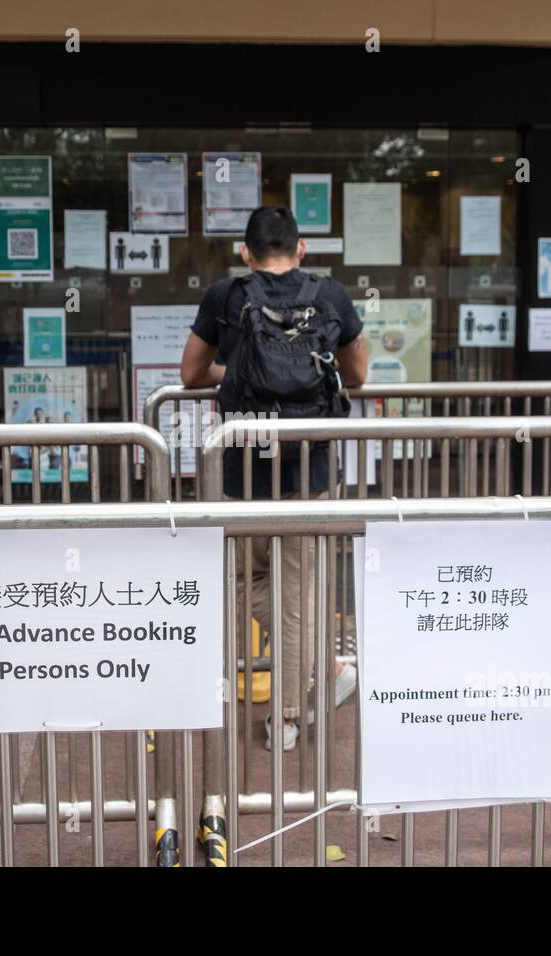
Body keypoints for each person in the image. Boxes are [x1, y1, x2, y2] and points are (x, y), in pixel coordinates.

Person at [180, 206, 368, 751]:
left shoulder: (226, 297)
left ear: (245, 253)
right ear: (302, 248)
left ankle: (286, 714)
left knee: (241, 581)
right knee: (293, 592)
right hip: (310, 468)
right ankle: (324, 676)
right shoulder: (330, 296)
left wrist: (239, 370)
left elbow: (191, 373)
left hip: (245, 468)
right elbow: (356, 374)